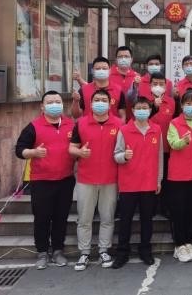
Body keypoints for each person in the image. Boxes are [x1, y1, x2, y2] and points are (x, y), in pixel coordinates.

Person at [15, 91, 75, 270]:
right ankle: (42, 252)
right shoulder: (33, 127)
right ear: (42, 106)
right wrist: (33, 152)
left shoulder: (71, 125)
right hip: (41, 181)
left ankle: (58, 250)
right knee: (42, 218)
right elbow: (19, 150)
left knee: (61, 217)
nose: (54, 105)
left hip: (65, 180)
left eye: (57, 101)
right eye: (50, 102)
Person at [69, 89, 122, 271]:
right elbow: (71, 148)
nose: (100, 103)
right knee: (84, 218)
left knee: (108, 218)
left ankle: (104, 250)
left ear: (110, 103)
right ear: (91, 104)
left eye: (104, 100)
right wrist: (80, 152)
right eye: (97, 100)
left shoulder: (119, 124)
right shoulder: (81, 123)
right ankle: (84, 253)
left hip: (110, 179)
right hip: (86, 179)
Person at [112, 97, 162, 268]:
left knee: (147, 220)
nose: (142, 110)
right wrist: (124, 157)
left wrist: (158, 180)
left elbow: (159, 158)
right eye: (138, 108)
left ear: (150, 110)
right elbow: (116, 155)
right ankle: (122, 252)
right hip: (128, 184)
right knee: (125, 220)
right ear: (133, 110)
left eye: (145, 108)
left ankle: (145, 250)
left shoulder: (156, 129)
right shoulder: (124, 130)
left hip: (149, 183)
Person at [167, 91, 192, 263]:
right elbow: (173, 144)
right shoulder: (174, 123)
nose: (191, 107)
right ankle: (179, 245)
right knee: (178, 211)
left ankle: (189, 242)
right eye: (188, 104)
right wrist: (183, 141)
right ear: (182, 105)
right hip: (178, 175)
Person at [138, 72, 176, 215]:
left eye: (161, 84)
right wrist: (153, 106)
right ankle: (150, 208)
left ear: (166, 86)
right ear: (150, 85)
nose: (158, 86)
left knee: (165, 179)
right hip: (147, 148)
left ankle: (164, 208)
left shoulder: (172, 102)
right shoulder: (143, 102)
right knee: (149, 177)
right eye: (155, 84)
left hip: (166, 147)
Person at [71, 56, 126, 122]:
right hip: (88, 126)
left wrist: (120, 127)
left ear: (110, 71)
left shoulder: (118, 90)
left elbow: (122, 116)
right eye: (98, 69)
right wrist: (75, 101)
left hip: (112, 127)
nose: (101, 71)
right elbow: (75, 115)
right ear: (93, 71)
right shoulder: (83, 90)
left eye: (104, 68)